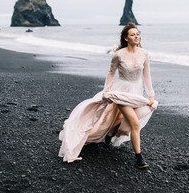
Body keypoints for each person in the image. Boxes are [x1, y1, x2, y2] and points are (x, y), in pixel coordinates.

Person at [58, 22, 157, 168]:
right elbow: (110, 74)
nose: (136, 37)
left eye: (138, 34)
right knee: (135, 123)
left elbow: (147, 76)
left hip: (137, 92)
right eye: (133, 35)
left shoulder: (144, 54)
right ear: (125, 38)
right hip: (121, 92)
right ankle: (139, 158)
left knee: (125, 125)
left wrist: (151, 95)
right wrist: (107, 91)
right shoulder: (119, 55)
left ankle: (110, 134)